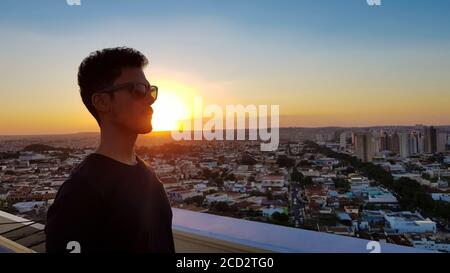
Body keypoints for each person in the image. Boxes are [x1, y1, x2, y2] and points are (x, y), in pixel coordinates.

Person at [45, 47, 175, 253]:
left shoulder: (149, 177)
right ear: (103, 102)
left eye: (151, 91)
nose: (150, 99)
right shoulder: (79, 195)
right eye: (138, 89)